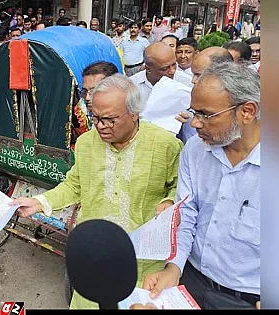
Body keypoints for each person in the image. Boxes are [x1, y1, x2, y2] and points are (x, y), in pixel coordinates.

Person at [12, 74, 183, 310]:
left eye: (110, 119)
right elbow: (74, 185)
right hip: (94, 254)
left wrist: (169, 202)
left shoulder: (166, 145)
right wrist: (39, 201)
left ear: (134, 114)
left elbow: (180, 188)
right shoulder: (85, 144)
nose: (101, 126)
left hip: (142, 260)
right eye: (95, 117)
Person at [143, 61, 260, 310]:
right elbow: (187, 211)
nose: (194, 123)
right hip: (192, 282)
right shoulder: (196, 150)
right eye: (194, 112)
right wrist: (173, 267)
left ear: (247, 111)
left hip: (249, 298)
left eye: (205, 115)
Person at [129, 42, 193, 103]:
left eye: (174, 64)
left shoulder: (187, 83)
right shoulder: (131, 86)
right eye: (165, 68)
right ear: (148, 69)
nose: (172, 71)